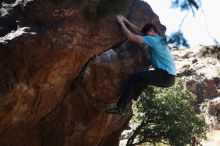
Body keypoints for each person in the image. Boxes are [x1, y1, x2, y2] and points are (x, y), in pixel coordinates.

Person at [105, 15, 176, 114]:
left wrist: (121, 23)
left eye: (147, 33)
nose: (145, 36)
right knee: (144, 78)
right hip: (170, 79)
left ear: (152, 31)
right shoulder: (159, 39)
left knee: (133, 79)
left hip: (164, 75)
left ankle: (120, 108)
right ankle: (136, 93)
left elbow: (131, 37)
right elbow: (140, 32)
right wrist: (126, 21)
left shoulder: (154, 40)